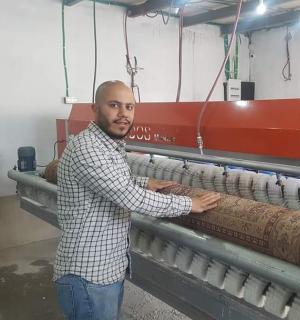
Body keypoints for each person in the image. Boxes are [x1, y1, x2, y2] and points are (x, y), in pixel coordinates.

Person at [53, 80, 220, 320]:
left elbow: (116, 179)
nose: (123, 114)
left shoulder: (109, 145)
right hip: (88, 276)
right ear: (95, 108)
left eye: (129, 107)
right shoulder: (87, 148)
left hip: (104, 271)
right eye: (114, 105)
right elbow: (130, 198)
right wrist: (190, 204)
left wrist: (145, 182)